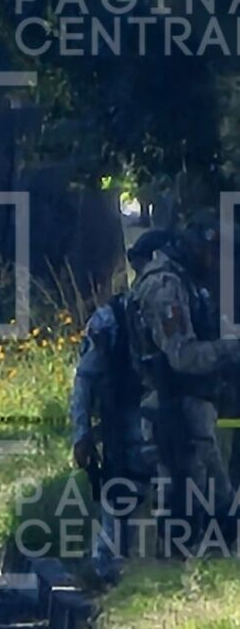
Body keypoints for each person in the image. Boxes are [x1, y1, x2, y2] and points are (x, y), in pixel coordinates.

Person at [128, 212, 240, 556]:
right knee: (191, 504)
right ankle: (180, 577)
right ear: (196, 247)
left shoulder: (184, 282)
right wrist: (232, 347)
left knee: (216, 505)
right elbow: (183, 356)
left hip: (192, 409)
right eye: (212, 252)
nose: (214, 262)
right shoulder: (166, 287)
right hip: (175, 409)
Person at [71, 229, 172, 582]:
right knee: (119, 503)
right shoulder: (111, 318)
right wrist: (81, 432)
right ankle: (108, 576)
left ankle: (163, 574)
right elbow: (85, 378)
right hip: (126, 425)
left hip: (177, 424)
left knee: (173, 502)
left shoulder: (192, 303)